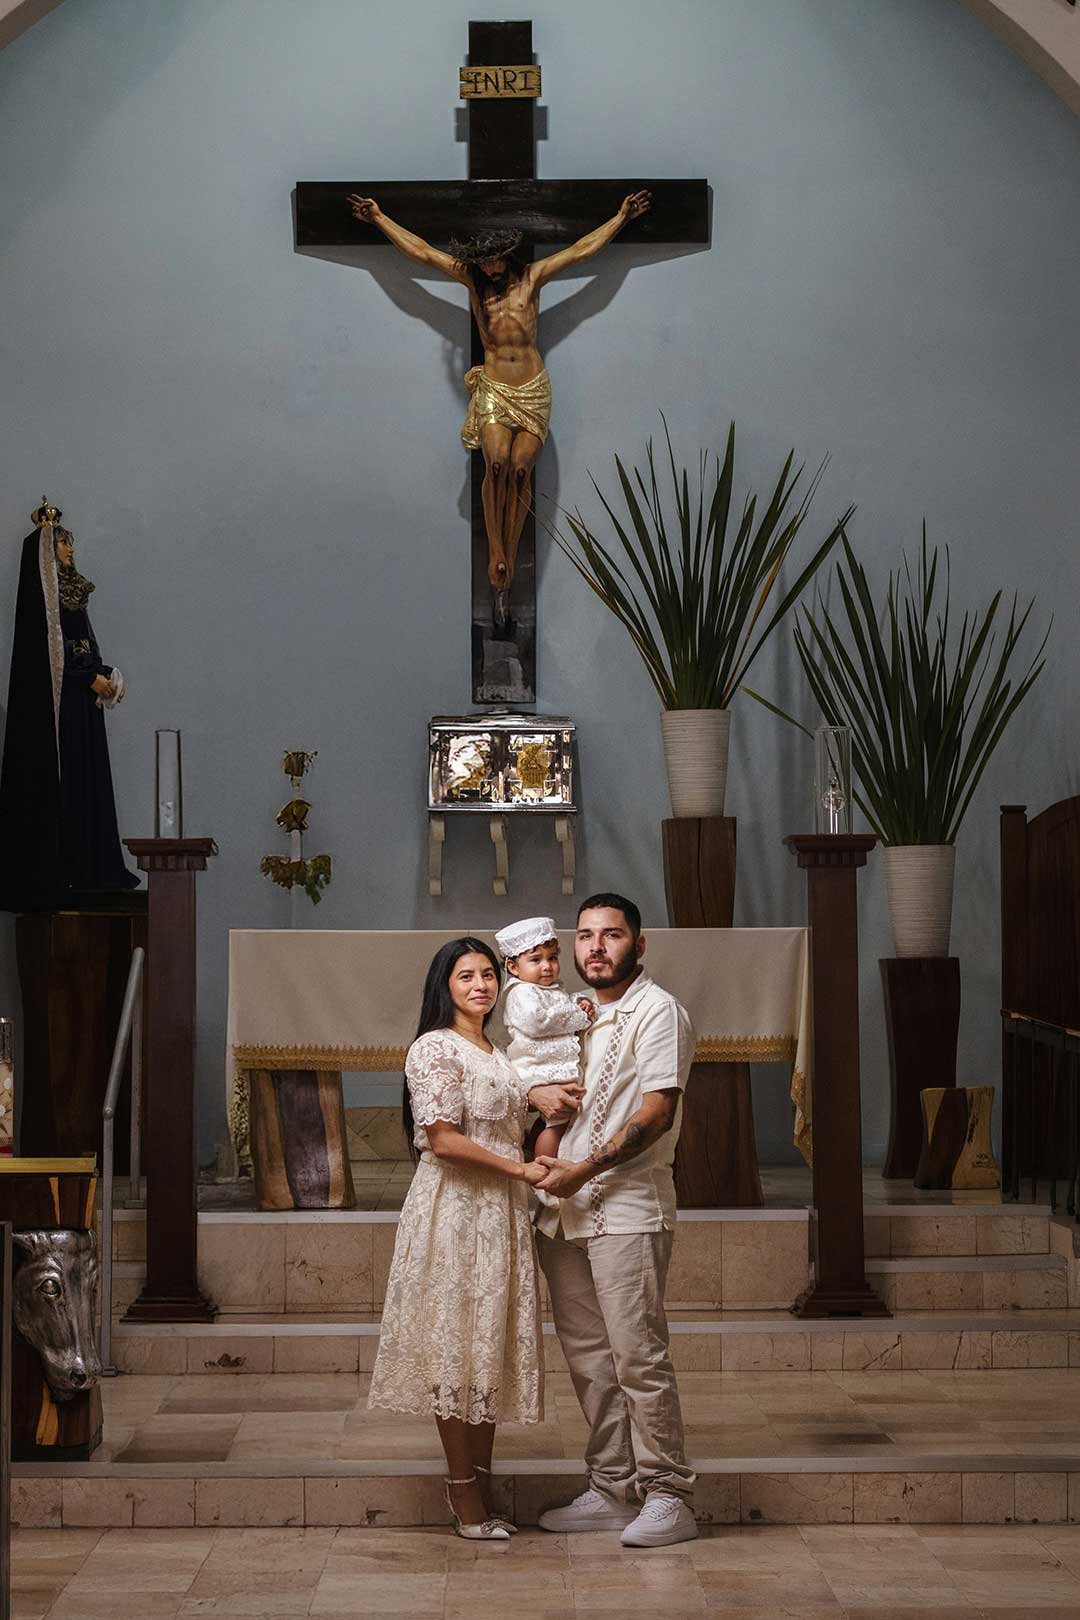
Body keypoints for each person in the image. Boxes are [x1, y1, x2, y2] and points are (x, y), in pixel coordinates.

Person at [346, 190, 652, 610]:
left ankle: (511, 546)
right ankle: (497, 552)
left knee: (521, 469)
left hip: (532, 388)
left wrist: (621, 217)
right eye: (483, 262)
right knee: (495, 464)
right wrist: (379, 218)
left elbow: (581, 251)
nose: (489, 268)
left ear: (507, 255)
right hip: (494, 386)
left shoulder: (532, 278)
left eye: (494, 260)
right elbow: (422, 253)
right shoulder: (473, 281)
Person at [366, 936, 549, 1542]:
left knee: (486, 1344)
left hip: (500, 1212)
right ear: (443, 985)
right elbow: (442, 1138)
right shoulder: (434, 1047)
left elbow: (512, 1123)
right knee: (455, 1344)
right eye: (465, 976)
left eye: (488, 974)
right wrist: (519, 1169)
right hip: (455, 1209)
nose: (481, 985)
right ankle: (463, 1489)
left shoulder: (500, 1053)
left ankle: (484, 1483)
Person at [531, 893, 698, 1548]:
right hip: (564, 1212)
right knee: (590, 1362)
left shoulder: (658, 1011)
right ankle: (611, 1488)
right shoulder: (571, 1015)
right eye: (585, 935)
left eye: (612, 934)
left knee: (638, 1358)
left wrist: (584, 1168)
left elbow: (657, 1111)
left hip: (627, 1207)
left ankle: (669, 1495)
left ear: (639, 944)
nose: (596, 947)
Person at [0, 501, 138, 911]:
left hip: (84, 704)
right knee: (70, 778)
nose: (70, 549)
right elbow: (53, 652)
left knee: (89, 778)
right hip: (64, 707)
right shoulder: (44, 602)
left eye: (69, 543)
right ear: (47, 551)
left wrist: (103, 673)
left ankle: (92, 865)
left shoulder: (73, 592)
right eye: (63, 543)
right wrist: (87, 674)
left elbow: (82, 643)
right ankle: (70, 865)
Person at [494, 914, 596, 1171]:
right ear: (513, 967)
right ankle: (544, 1168)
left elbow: (561, 1007)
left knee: (563, 1124)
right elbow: (538, 1022)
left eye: (552, 958)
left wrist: (578, 1002)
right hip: (539, 1069)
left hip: (555, 1067)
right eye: (536, 960)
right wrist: (580, 1015)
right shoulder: (520, 992)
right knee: (555, 1124)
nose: (547, 966)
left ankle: (554, 1164)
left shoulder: (549, 988)